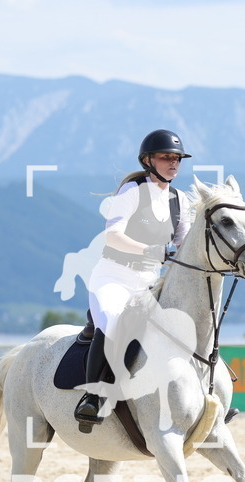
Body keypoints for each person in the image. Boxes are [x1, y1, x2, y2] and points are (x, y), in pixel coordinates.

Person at [74, 129, 193, 428]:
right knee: (114, 319)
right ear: (148, 160)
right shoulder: (132, 192)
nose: (173, 163)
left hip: (149, 284)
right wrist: (152, 250)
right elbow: (112, 236)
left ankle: (205, 391)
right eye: (166, 157)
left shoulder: (180, 200)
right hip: (114, 278)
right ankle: (93, 396)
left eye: (177, 158)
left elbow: (184, 243)